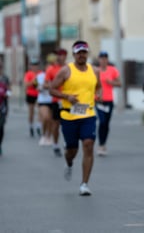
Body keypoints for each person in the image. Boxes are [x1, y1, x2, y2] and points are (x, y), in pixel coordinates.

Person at [49, 41, 101, 196]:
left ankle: (84, 184)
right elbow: (52, 89)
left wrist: (99, 94)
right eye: (78, 53)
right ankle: (69, 162)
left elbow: (98, 86)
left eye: (84, 52)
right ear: (74, 54)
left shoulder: (95, 70)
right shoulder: (66, 71)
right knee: (72, 149)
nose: (81, 55)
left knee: (88, 144)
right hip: (69, 115)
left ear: (87, 53)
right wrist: (66, 96)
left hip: (88, 114)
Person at [95, 50, 121, 156]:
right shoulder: (95, 70)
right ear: (99, 59)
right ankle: (101, 145)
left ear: (107, 60)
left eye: (105, 58)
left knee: (106, 123)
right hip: (98, 100)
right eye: (101, 58)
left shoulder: (113, 70)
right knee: (102, 121)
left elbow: (120, 83)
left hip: (109, 100)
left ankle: (104, 143)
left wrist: (111, 83)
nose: (103, 60)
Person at [45, 48, 68, 156]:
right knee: (56, 123)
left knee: (68, 123)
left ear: (66, 56)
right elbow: (45, 83)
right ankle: (55, 144)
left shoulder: (69, 68)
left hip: (68, 99)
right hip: (56, 100)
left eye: (62, 55)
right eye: (59, 55)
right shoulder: (51, 69)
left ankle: (68, 142)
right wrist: (51, 86)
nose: (60, 57)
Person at [36, 54, 56, 149]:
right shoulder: (40, 76)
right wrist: (42, 87)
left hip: (53, 99)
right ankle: (44, 135)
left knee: (52, 121)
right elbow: (38, 86)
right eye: (48, 65)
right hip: (43, 100)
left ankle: (49, 136)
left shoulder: (56, 74)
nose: (50, 67)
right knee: (46, 118)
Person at [24, 60, 41, 138]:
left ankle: (38, 126)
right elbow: (27, 84)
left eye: (36, 65)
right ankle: (31, 126)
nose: (35, 67)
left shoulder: (40, 73)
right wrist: (33, 80)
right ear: (31, 66)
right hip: (30, 94)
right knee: (31, 111)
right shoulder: (28, 74)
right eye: (33, 65)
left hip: (39, 94)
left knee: (40, 111)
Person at [0, 61, 10, 156]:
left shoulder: (5, 79)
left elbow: (9, 91)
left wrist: (7, 94)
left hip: (2, 107)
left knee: (1, 128)